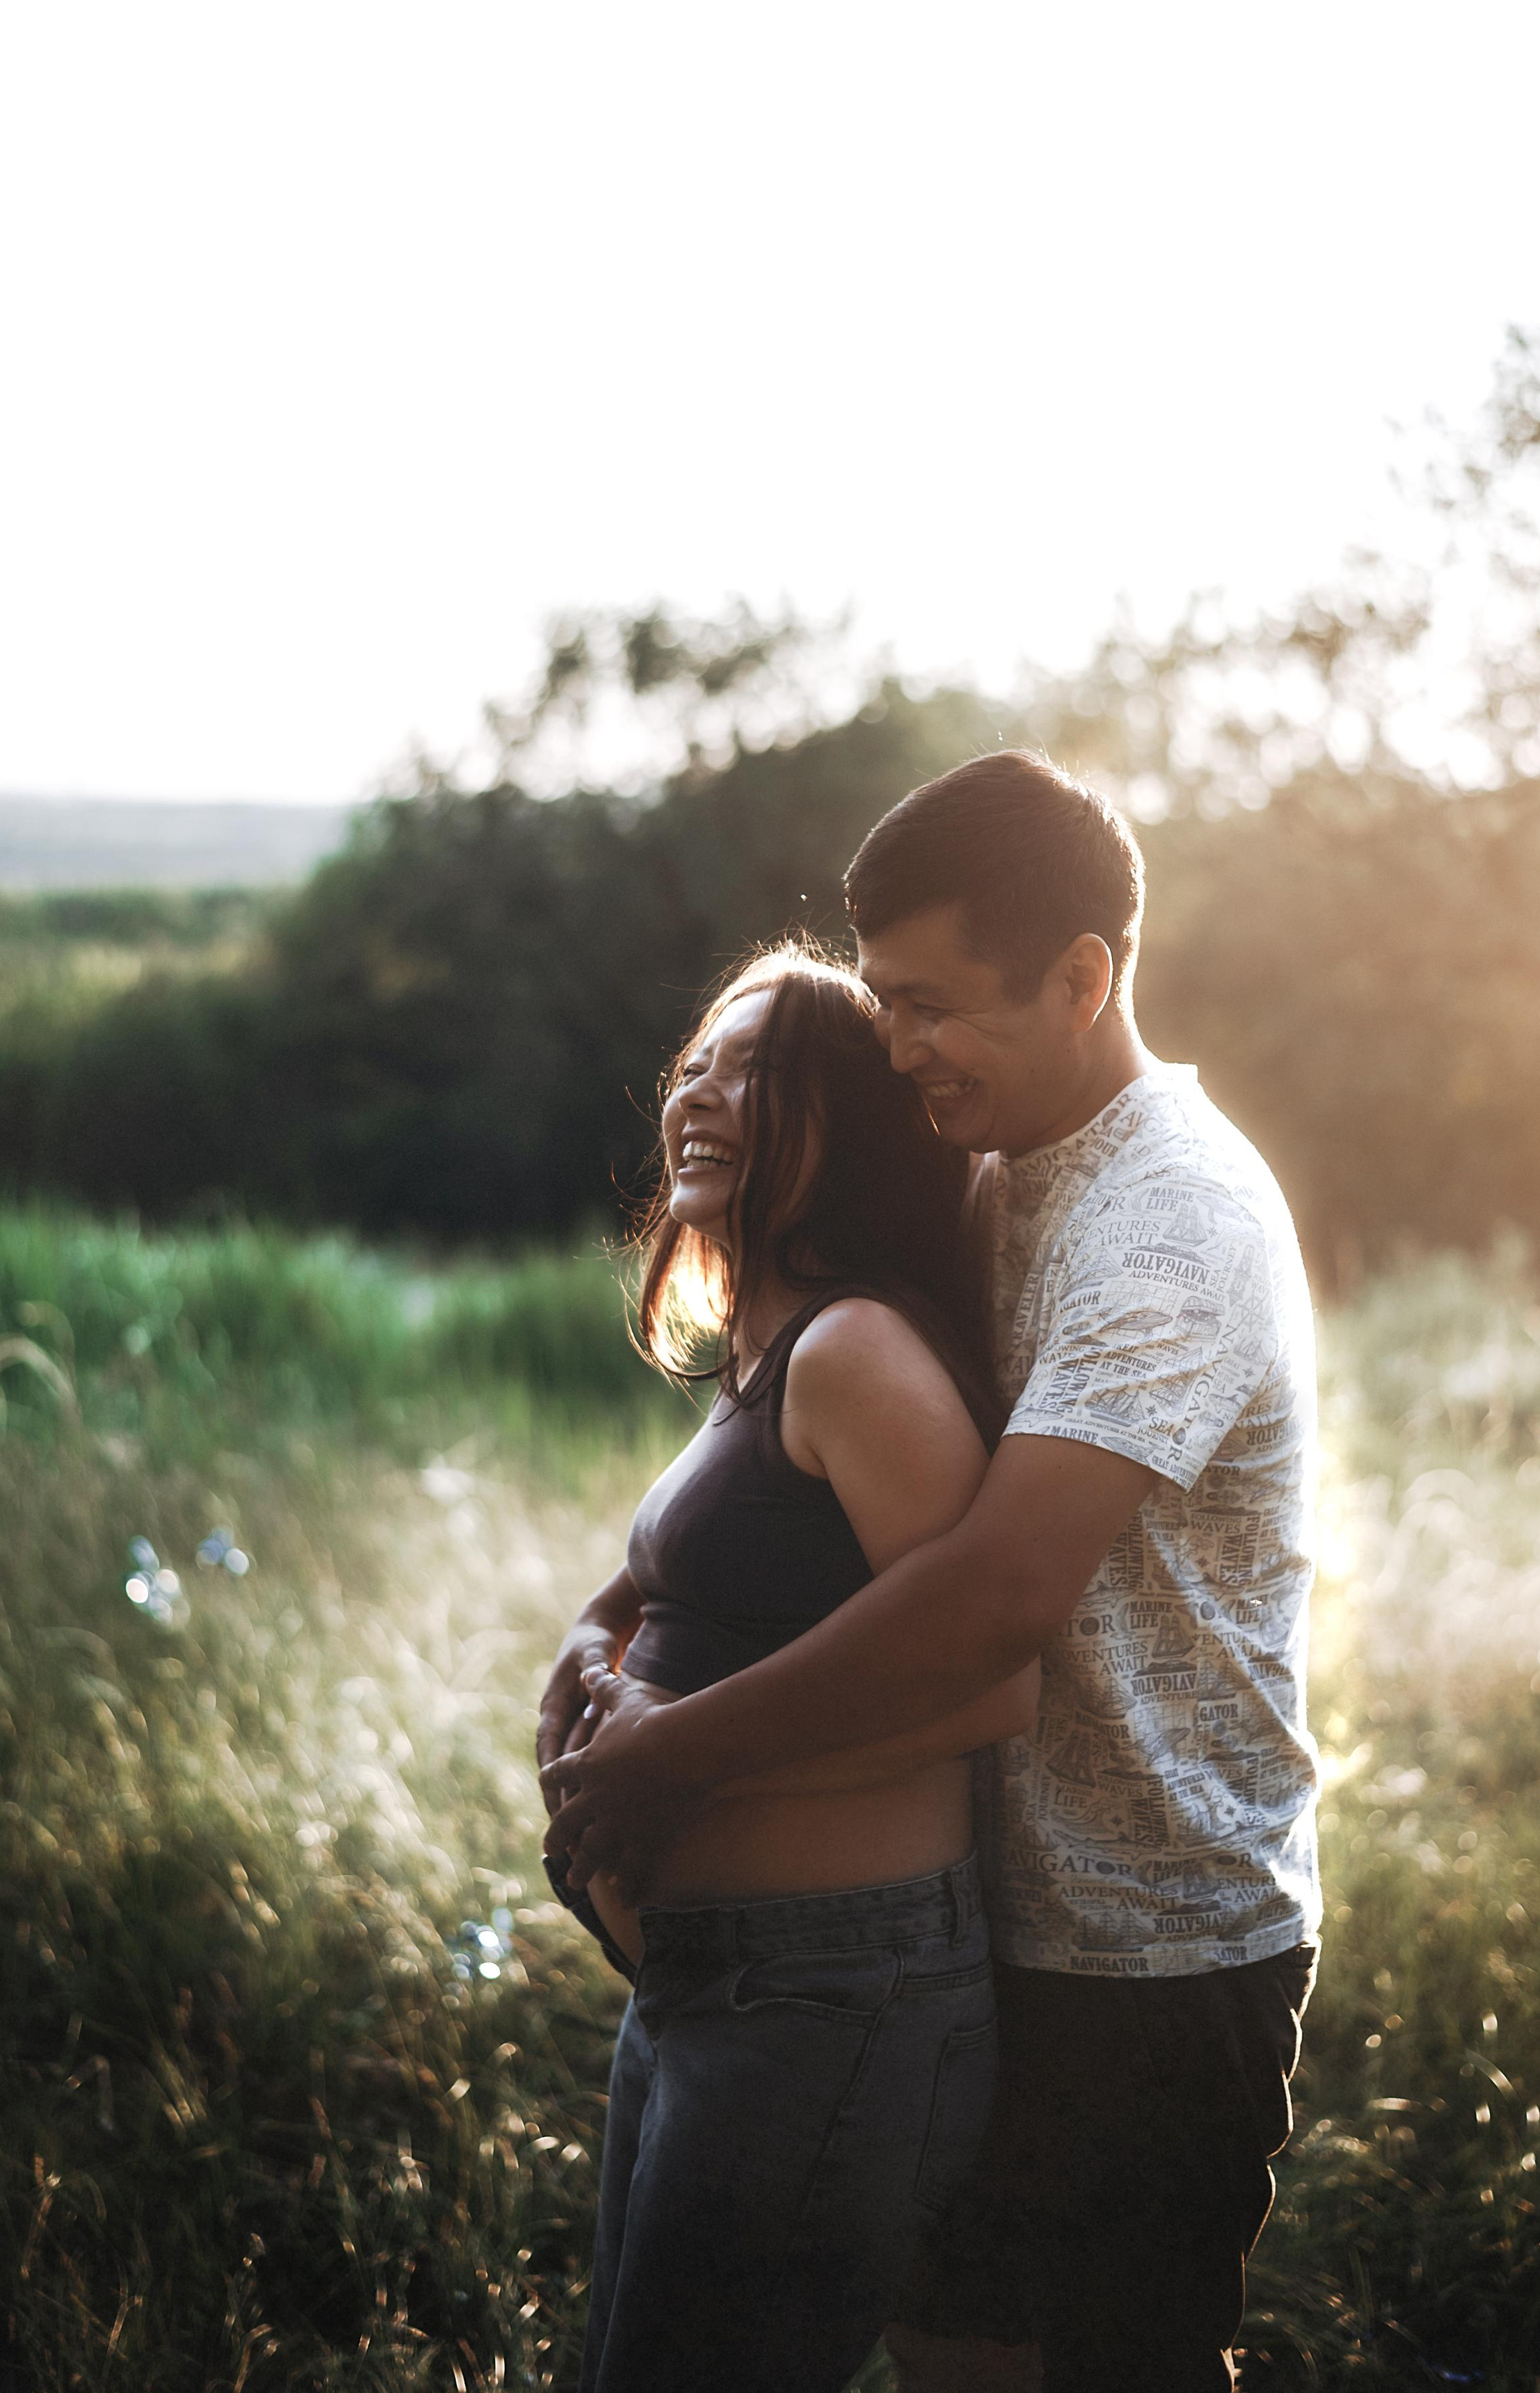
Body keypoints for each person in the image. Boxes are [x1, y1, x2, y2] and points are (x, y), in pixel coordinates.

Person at [545, 751, 1323, 2393]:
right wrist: (619, 1621)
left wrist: (656, 1765)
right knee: (953, 2361)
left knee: (1114, 2371)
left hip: (1146, 1942)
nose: (895, 1046)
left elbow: (987, 1605)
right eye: (880, 1002)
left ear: (1081, 976)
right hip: (974, 1919)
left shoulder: (1168, 1220)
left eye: (928, 1005)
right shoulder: (990, 1162)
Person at [537, 945, 1038, 2393]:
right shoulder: (762, 1355)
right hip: (713, 1986)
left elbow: (987, 1687)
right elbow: (670, 1571)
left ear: (845, 1120)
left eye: (755, 1068)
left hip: (828, 1997)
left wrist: (677, 1754)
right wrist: (585, 1644)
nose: (702, 1090)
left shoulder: (856, 1350)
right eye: (696, 1060)